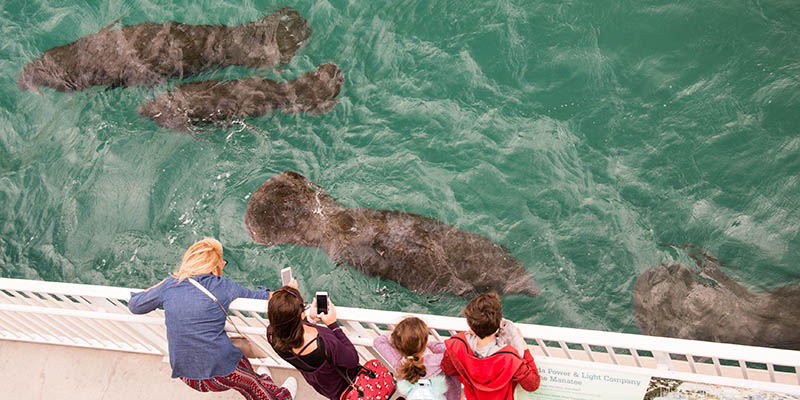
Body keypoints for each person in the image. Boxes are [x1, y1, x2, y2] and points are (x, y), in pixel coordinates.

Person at [127, 237, 296, 400]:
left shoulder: (170, 285)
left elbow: (135, 305)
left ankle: (261, 378)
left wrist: (163, 284)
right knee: (252, 385)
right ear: (214, 268)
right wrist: (288, 290)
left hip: (187, 376)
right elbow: (262, 297)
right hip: (223, 374)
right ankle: (281, 395)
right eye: (222, 263)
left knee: (246, 377)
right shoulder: (221, 285)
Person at [441, 292, 540, 400]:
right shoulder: (510, 357)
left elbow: (448, 369)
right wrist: (524, 349)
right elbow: (532, 385)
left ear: (470, 326)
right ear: (499, 324)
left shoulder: (456, 344)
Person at [267, 286, 360, 400]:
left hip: (324, 387)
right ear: (301, 314)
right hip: (347, 386)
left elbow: (291, 331)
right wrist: (333, 325)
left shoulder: (272, 335)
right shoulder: (323, 341)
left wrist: (310, 321)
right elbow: (353, 360)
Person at [373, 316, 461, 400]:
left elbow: (379, 341)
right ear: (426, 341)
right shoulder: (438, 360)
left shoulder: (399, 362)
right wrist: (431, 345)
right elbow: (450, 349)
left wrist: (397, 338)